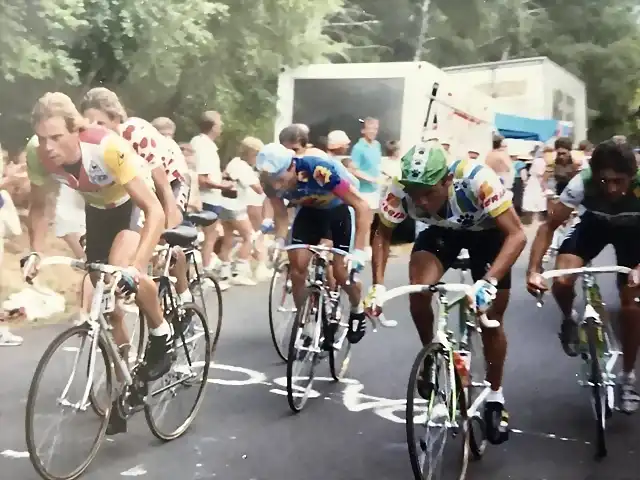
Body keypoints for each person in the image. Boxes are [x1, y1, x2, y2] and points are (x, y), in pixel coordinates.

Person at [25, 92, 172, 434]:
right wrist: (35, 249)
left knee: (123, 270)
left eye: (56, 137)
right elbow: (38, 207)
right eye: (43, 138)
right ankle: (127, 375)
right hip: (98, 210)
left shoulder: (107, 148)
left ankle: (161, 334)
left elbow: (155, 210)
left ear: (76, 129)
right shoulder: (37, 154)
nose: (48, 147)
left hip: (133, 205)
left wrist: (136, 266)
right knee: (107, 306)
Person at [367, 139, 526, 444]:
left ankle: (495, 396)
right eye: (416, 195)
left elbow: (517, 234)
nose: (422, 202)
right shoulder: (399, 186)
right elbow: (382, 233)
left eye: (430, 193)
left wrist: (488, 282)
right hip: (442, 234)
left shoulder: (477, 178)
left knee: (490, 319)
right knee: (419, 290)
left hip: (489, 234)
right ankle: (431, 355)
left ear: (448, 180)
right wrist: (377, 286)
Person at [526, 140, 640, 413]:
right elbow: (548, 227)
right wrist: (534, 271)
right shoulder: (582, 183)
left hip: (634, 233)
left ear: (632, 176)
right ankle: (569, 320)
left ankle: (627, 378)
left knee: (632, 306)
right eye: (604, 181)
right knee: (562, 281)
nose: (611, 188)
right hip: (595, 225)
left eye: (619, 181)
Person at [80, 88, 193, 305]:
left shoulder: (134, 133)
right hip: (142, 182)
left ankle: (183, 292)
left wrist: (168, 234)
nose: (94, 129)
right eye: (89, 123)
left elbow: (164, 191)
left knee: (168, 241)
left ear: (116, 119)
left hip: (172, 177)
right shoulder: (94, 144)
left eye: (101, 123)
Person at [255, 142, 372, 343]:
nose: (277, 186)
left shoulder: (318, 170)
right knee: (297, 266)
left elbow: (361, 205)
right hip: (309, 214)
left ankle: (356, 308)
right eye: (273, 181)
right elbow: (281, 215)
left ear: (292, 166)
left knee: (341, 272)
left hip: (339, 212)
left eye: (280, 179)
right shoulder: (267, 180)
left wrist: (360, 250)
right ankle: (305, 321)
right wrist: (279, 240)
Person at [191, 111, 235, 287]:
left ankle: (198, 273)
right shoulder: (205, 146)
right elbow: (203, 179)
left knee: (203, 237)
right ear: (213, 127)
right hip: (208, 198)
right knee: (210, 237)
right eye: (220, 124)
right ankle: (204, 275)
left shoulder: (198, 142)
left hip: (202, 198)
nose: (222, 127)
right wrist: (223, 186)